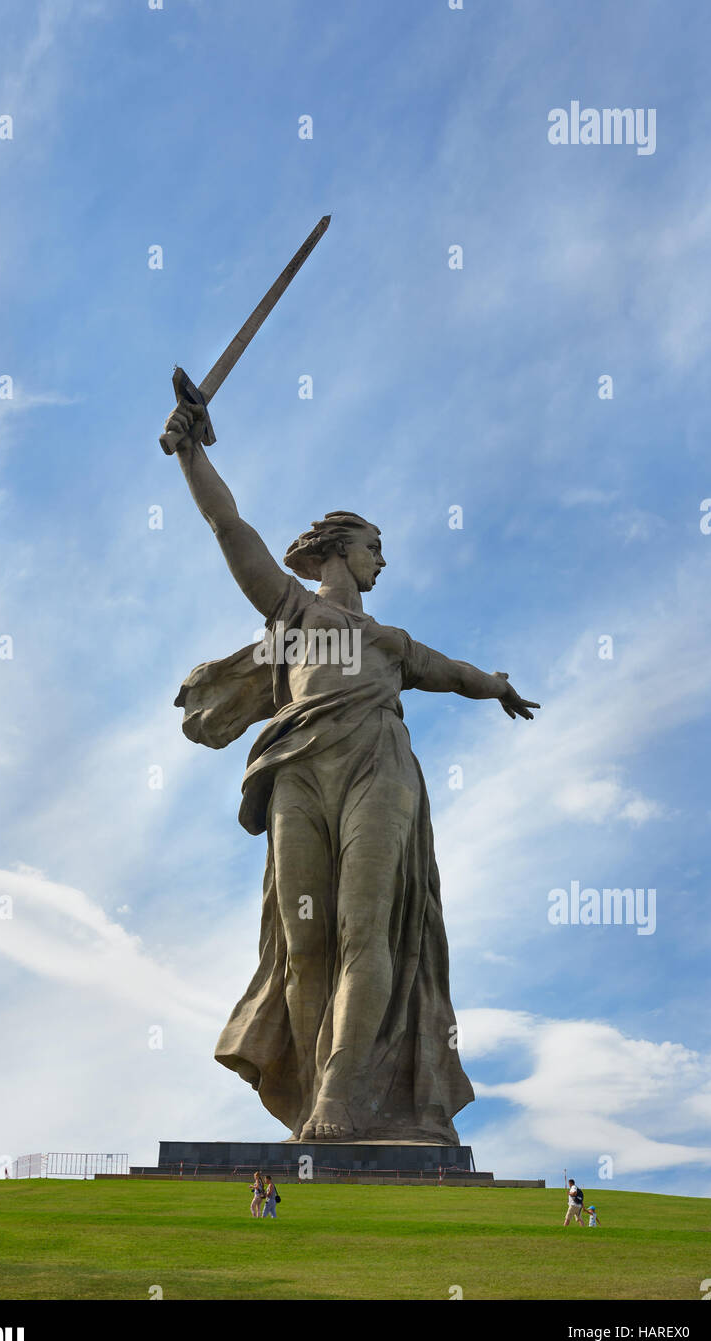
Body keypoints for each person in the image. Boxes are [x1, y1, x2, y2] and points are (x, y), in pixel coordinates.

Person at [165, 400, 539, 1143]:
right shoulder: (293, 612)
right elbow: (229, 529)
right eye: (374, 546)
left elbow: (456, 673)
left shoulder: (391, 642)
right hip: (297, 771)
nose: (382, 561)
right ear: (340, 549)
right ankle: (311, 1100)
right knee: (305, 947)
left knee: (364, 929)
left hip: (377, 764)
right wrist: (190, 453)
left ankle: (340, 1094)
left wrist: (495, 685)